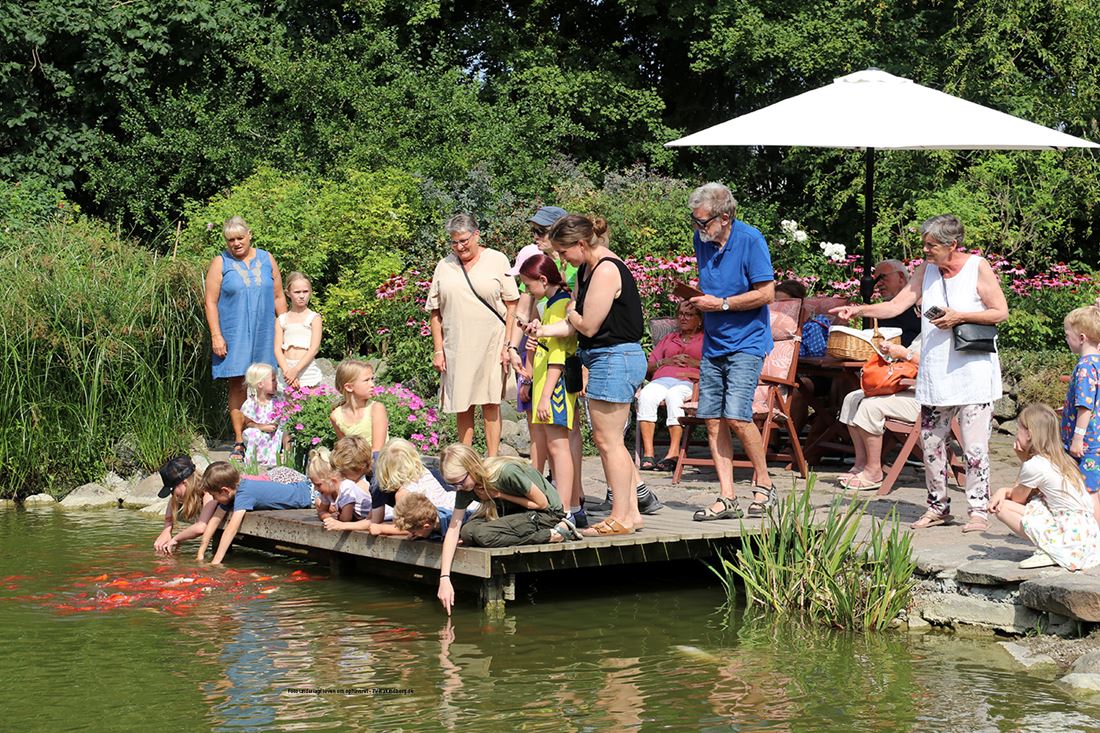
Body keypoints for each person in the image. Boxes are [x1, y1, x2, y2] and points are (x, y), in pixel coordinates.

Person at [833, 214, 1009, 531]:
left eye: (931, 245)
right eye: (924, 244)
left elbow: (1001, 311)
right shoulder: (925, 270)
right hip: (935, 373)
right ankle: (937, 507)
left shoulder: (976, 267)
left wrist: (959, 316)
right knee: (931, 444)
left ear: (952, 245)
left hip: (972, 373)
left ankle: (978, 510)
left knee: (975, 447)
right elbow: (895, 306)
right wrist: (858, 310)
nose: (925, 250)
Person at [526, 214, 654, 536]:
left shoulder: (607, 269)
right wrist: (542, 330)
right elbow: (573, 325)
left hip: (616, 357)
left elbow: (587, 324)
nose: (562, 260)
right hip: (601, 357)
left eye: (564, 252)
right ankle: (631, 514)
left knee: (609, 441)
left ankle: (621, 516)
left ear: (581, 244)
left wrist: (569, 310)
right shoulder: (585, 268)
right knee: (609, 441)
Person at [686, 183, 776, 521]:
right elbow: (710, 286)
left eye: (704, 222)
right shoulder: (703, 240)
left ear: (725, 218)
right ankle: (727, 496)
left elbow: (767, 294)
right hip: (714, 342)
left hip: (747, 342)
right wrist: (695, 300)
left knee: (737, 417)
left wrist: (721, 304)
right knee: (712, 420)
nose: (698, 229)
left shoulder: (751, 240)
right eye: (695, 222)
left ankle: (764, 486)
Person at [435, 443, 581, 614]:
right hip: (518, 515)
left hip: (546, 514)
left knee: (484, 535)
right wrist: (444, 578)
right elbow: (454, 528)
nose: (458, 488)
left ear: (472, 468)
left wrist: (498, 494)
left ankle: (554, 534)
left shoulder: (505, 473)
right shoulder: (467, 484)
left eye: (459, 482)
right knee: (467, 531)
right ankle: (537, 532)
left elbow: (542, 503)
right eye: (452, 485)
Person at [428, 213, 520, 456]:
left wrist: (508, 345)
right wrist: (438, 350)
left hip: (492, 343)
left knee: (491, 402)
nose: (459, 247)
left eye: (464, 241)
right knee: (462, 403)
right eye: (454, 242)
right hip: (457, 345)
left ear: (477, 235)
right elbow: (434, 312)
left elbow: (513, 304)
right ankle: (465, 458)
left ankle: (492, 459)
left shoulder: (497, 260)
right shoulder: (444, 265)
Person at [203, 216, 287, 461]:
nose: (236, 244)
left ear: (250, 235)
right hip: (234, 332)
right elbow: (210, 301)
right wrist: (216, 335)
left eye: (240, 238)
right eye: (231, 240)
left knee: (269, 383)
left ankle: (274, 436)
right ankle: (240, 440)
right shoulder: (220, 263)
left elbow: (279, 296)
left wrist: (286, 329)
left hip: (265, 331)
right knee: (238, 384)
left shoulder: (266, 258)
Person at [991, 404, 1100, 570]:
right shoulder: (1062, 459)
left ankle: (1051, 550)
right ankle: (1054, 547)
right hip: (1086, 536)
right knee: (1037, 503)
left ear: (1029, 434)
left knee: (1002, 507)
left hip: (1069, 539)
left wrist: (1021, 463)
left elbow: (1018, 499)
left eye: (1018, 429)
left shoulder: (1035, 465)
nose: (1016, 434)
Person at [517, 253, 583, 526]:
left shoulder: (560, 306)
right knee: (553, 447)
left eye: (529, 286)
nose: (528, 292)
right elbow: (547, 348)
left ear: (543, 280)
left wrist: (544, 397)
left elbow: (559, 356)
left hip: (554, 389)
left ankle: (565, 510)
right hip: (544, 384)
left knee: (559, 448)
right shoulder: (548, 305)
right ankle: (564, 506)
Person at [836, 338, 922, 490]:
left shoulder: (950, 331)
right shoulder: (928, 329)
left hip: (930, 400)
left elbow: (938, 371)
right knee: (852, 398)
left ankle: (873, 471)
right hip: (909, 388)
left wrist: (905, 354)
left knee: (870, 406)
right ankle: (861, 463)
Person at [196, 461, 316, 564]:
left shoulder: (244, 493)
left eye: (213, 495)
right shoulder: (233, 491)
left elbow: (231, 529)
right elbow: (215, 519)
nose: (214, 499)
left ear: (225, 491)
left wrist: (216, 562)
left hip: (311, 495)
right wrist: (200, 553)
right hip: (304, 488)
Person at [637, 300, 703, 471]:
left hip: (690, 382)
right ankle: (649, 454)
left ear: (700, 319)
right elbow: (648, 367)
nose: (683, 318)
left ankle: (673, 454)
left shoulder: (706, 339)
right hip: (662, 379)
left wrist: (694, 362)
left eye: (689, 315)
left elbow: (715, 367)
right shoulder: (668, 339)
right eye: (680, 314)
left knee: (674, 396)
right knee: (646, 395)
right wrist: (665, 361)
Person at [1061, 306, 1100, 521]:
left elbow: (1085, 405)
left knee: (1089, 492)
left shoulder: (1085, 366)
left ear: (1082, 337)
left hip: (1088, 443)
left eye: (1068, 335)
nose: (1066, 340)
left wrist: (1077, 438)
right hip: (1097, 439)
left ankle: (1094, 538)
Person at [152, 456, 218, 556]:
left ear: (185, 483)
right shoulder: (182, 492)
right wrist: (167, 530)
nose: (173, 495)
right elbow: (171, 509)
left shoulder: (209, 492)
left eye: (173, 490)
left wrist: (175, 539)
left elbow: (201, 527)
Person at [274, 272, 323, 390]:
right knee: (289, 406)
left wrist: (296, 370)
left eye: (305, 291)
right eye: (297, 292)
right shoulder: (282, 319)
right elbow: (277, 349)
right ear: (288, 293)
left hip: (306, 368)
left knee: (310, 405)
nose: (302, 296)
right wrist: (288, 372)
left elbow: (314, 348)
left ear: (310, 292)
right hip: (287, 370)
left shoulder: (314, 318)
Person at [329, 358, 389, 452]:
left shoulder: (376, 409)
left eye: (372, 379)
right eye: (366, 380)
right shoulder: (336, 416)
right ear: (349, 387)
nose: (372, 384)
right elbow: (345, 449)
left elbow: (378, 450)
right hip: (354, 463)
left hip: (379, 463)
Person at [314, 438, 373, 524]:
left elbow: (346, 518)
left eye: (344, 473)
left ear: (361, 467)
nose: (340, 476)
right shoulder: (350, 482)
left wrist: (337, 519)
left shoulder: (355, 484)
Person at [239, 362, 284, 467]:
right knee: (252, 433)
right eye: (273, 380)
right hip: (260, 431)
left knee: (282, 432)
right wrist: (261, 427)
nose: (276, 382)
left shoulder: (278, 400)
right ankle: (255, 457)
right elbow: (248, 423)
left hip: (275, 432)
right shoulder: (251, 403)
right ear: (260, 384)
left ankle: (276, 456)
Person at [871, 259, 921, 345]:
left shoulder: (921, 304)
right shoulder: (880, 313)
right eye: (876, 280)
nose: (878, 284)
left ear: (901, 277)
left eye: (882, 277)